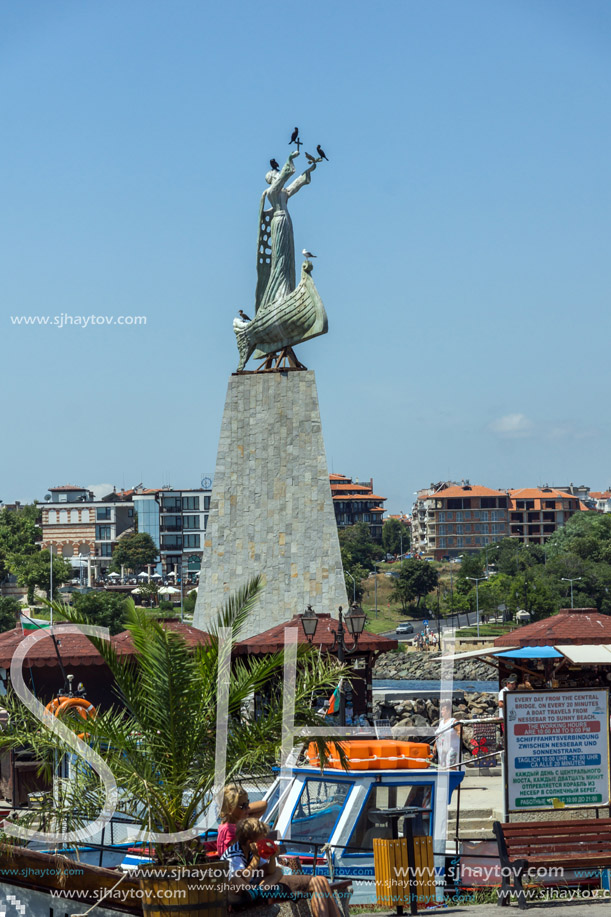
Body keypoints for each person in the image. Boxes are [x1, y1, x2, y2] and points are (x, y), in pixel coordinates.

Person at [223, 818, 342, 917]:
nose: (264, 842)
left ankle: (257, 891)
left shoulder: (250, 851)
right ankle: (257, 892)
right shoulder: (235, 854)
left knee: (320, 880)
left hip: (258, 886)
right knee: (318, 882)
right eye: (261, 840)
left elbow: (270, 871)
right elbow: (242, 880)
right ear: (250, 842)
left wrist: (272, 856)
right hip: (240, 890)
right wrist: (256, 857)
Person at [217, 784, 268, 857]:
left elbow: (264, 804)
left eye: (247, 803)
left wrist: (244, 810)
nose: (248, 808)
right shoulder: (229, 830)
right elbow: (241, 851)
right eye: (243, 806)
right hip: (235, 865)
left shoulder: (239, 823)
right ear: (230, 808)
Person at [433, 701, 461, 768]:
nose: (441, 712)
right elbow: (439, 734)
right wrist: (435, 745)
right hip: (442, 748)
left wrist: (458, 733)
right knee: (443, 766)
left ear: (448, 711)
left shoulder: (453, 721)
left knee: (451, 765)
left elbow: (460, 730)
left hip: (452, 747)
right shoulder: (441, 722)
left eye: (443, 710)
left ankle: (453, 776)